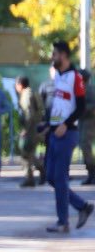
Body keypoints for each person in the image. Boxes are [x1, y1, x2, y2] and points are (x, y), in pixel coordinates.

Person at [41, 40, 95, 233]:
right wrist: (49, 125)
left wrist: (66, 123)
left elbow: (80, 107)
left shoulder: (76, 77)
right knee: (51, 177)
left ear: (63, 55)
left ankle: (63, 221)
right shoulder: (59, 77)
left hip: (67, 133)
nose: (52, 57)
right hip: (55, 133)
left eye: (55, 54)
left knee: (60, 177)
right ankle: (82, 206)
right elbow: (59, 106)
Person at [17, 75, 45, 188]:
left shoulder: (26, 95)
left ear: (20, 85)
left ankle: (30, 177)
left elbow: (29, 113)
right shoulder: (32, 92)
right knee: (30, 153)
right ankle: (41, 172)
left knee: (25, 153)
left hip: (30, 128)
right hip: (35, 127)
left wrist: (25, 129)